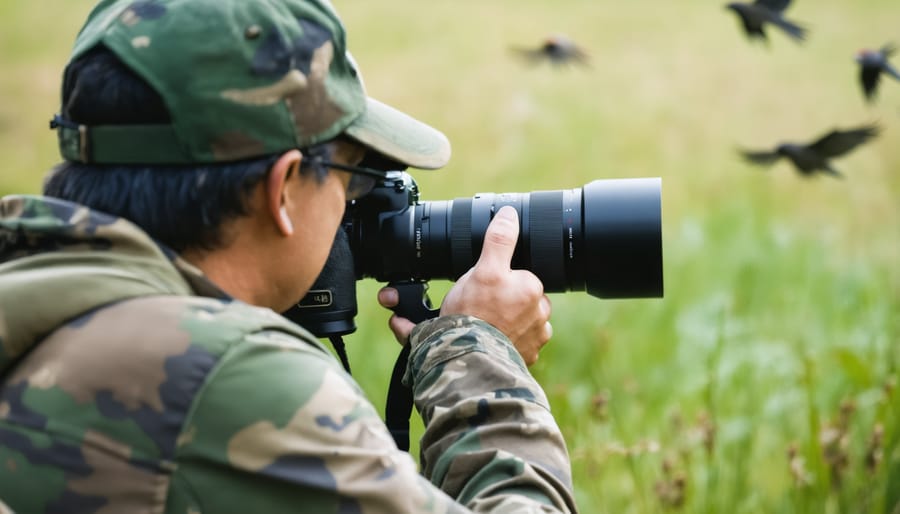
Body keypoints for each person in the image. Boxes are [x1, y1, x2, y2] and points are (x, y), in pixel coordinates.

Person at [0, 0, 577, 512]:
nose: (354, 208)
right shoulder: (227, 380)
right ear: (282, 191)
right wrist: (477, 353)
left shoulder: (30, 297)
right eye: (355, 180)